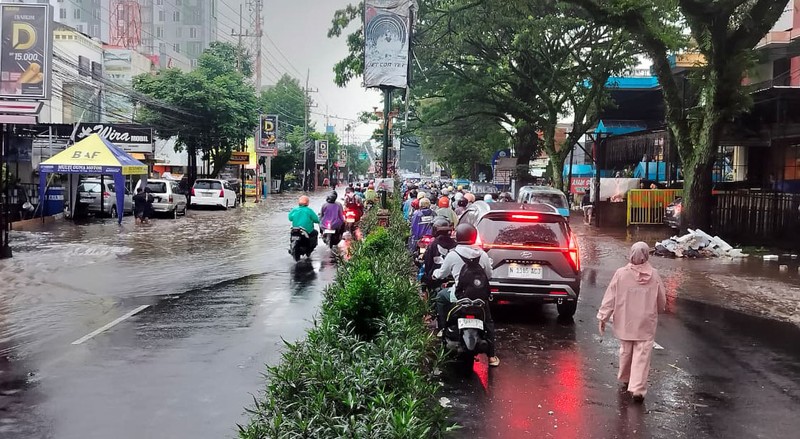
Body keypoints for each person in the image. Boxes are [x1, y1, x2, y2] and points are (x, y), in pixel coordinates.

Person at [598, 242, 667, 403]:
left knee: (626, 350)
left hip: (625, 320)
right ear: (646, 255)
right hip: (646, 321)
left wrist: (603, 316)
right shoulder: (654, 275)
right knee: (642, 354)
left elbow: (610, 297)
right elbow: (661, 300)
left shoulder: (621, 274)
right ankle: (638, 389)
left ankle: (626, 377)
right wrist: (659, 309)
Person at [433, 223, 499, 367]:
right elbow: (489, 275)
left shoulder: (452, 255)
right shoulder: (482, 254)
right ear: (474, 236)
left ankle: (443, 328)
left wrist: (434, 274)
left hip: (458, 297)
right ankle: (492, 356)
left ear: (457, 236)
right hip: (480, 298)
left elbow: (441, 274)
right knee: (488, 322)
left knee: (440, 297)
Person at [421, 217, 457, 289]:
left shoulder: (434, 244)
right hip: (453, 277)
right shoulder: (456, 245)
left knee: (424, 281)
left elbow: (428, 263)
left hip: (437, 278)